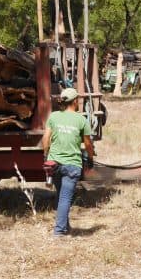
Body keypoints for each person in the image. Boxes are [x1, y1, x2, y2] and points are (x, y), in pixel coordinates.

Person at [42, 87, 95, 238]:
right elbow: (88, 144)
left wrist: (46, 156)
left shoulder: (54, 117)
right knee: (65, 197)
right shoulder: (81, 120)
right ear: (75, 102)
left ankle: (65, 226)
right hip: (72, 165)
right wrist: (90, 159)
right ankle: (59, 231)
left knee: (61, 195)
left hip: (55, 164)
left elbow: (46, 140)